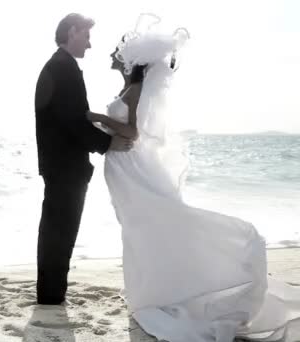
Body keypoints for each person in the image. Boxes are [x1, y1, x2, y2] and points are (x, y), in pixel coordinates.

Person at [85, 13, 300, 342]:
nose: (113, 55)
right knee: (138, 231)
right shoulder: (129, 87)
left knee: (147, 228)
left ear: (133, 59)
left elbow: (132, 132)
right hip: (122, 169)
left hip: (131, 169)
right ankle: (148, 293)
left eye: (118, 51)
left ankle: (161, 292)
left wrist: (97, 117)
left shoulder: (137, 89)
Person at [33, 13, 133, 305]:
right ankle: (51, 295)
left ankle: (51, 293)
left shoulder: (61, 66)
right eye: (87, 37)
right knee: (59, 230)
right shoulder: (63, 68)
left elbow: (74, 119)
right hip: (65, 166)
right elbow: (72, 121)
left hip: (60, 165)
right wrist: (108, 142)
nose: (89, 45)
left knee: (57, 229)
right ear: (72, 31)